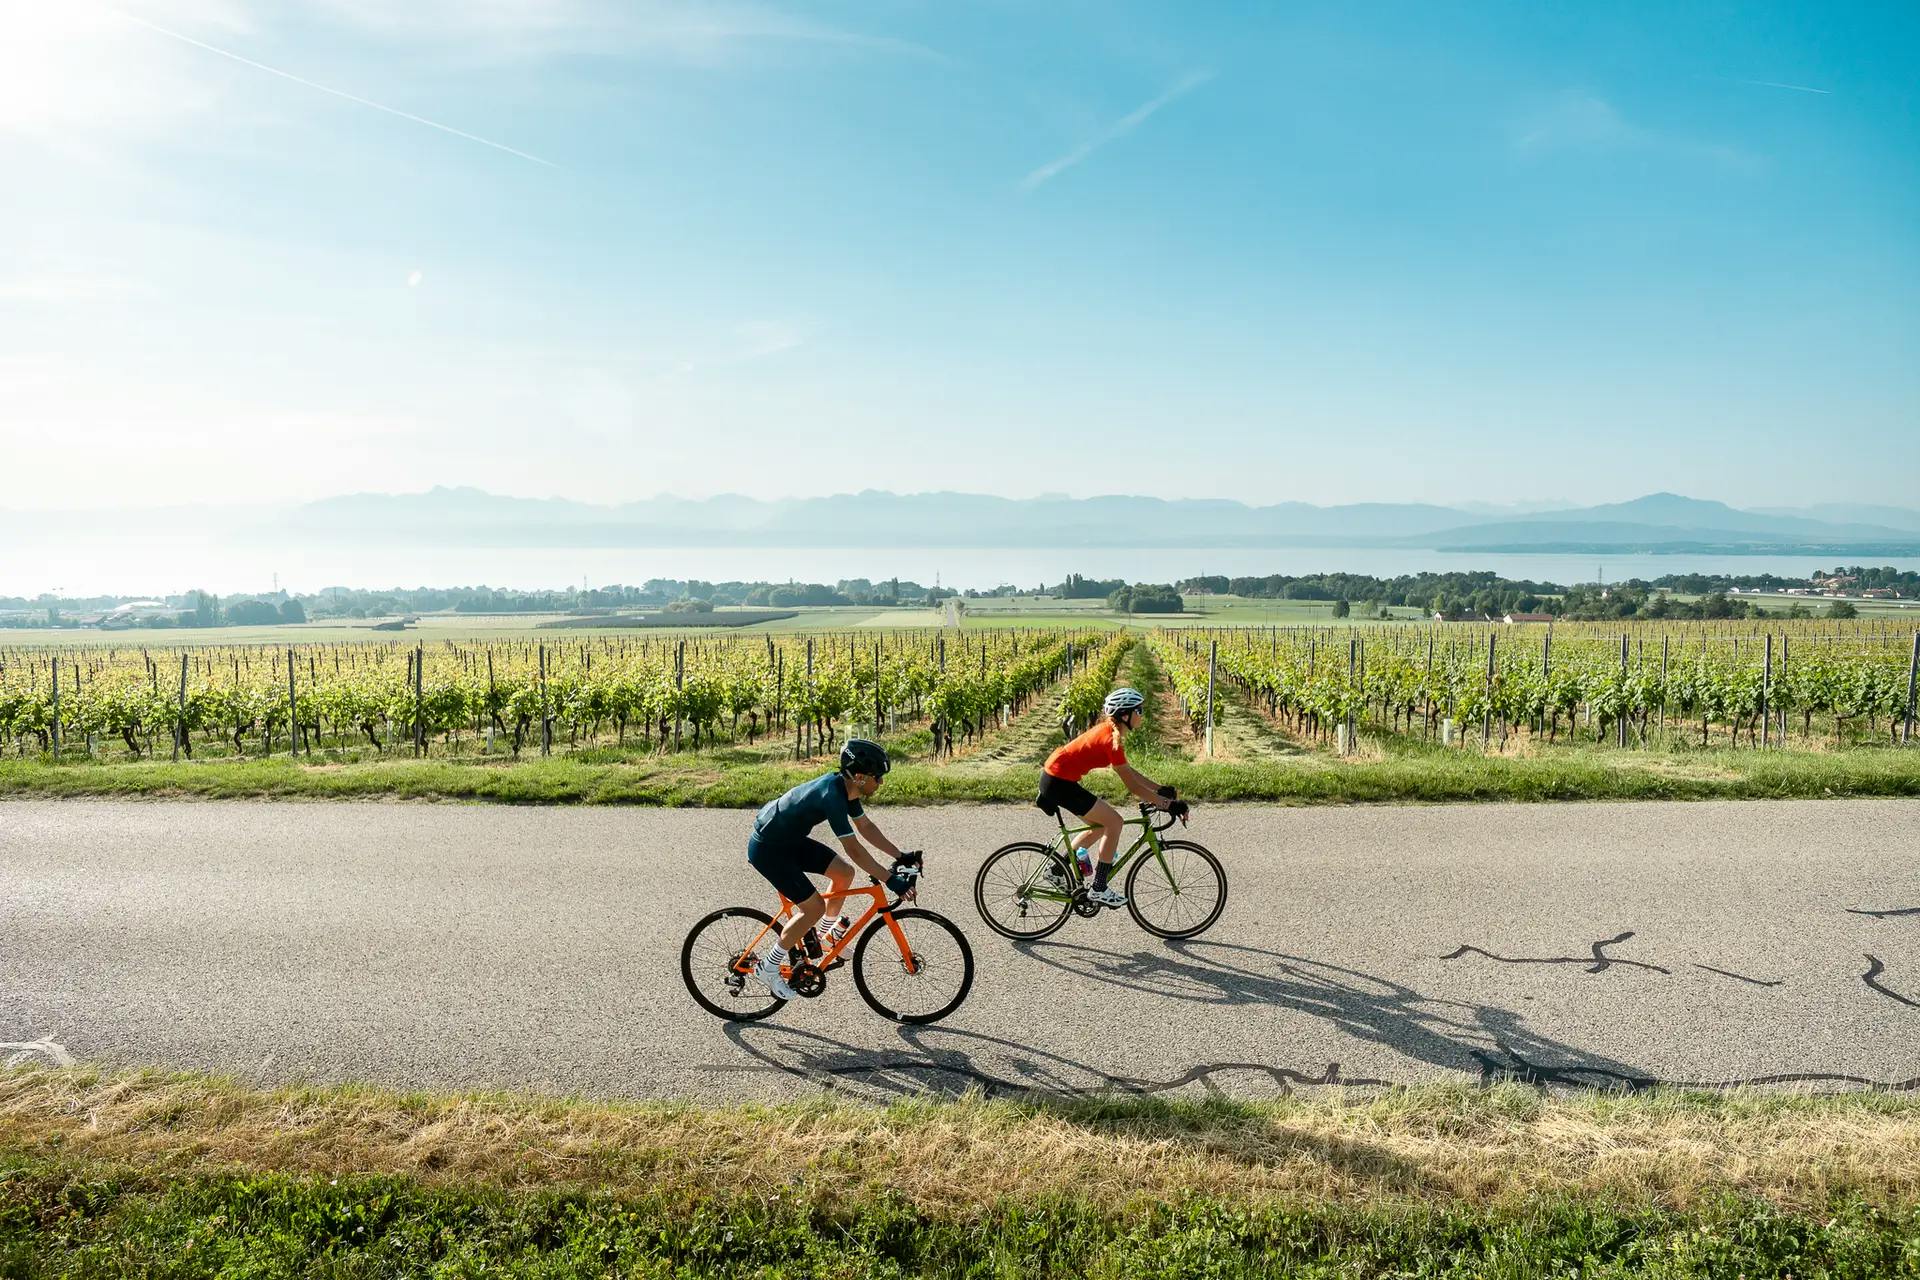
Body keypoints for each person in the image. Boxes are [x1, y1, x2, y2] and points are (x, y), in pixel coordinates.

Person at [749, 737, 916, 999]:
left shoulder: (847, 788)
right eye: (878, 777)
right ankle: (768, 967)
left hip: (787, 841)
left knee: (844, 873)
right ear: (860, 776)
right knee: (812, 907)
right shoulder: (832, 796)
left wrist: (901, 855)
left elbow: (866, 828)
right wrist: (890, 879)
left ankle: (826, 936)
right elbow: (856, 849)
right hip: (769, 850)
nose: (881, 782)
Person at [1035, 687, 1186, 908]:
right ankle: (1099, 888)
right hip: (1058, 782)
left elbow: (1128, 771)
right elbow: (1132, 786)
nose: (1142, 714)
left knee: (1100, 826)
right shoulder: (1111, 741)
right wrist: (1167, 805)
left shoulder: (1112, 734)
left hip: (1057, 779)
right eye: (1139, 710)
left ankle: (1058, 870)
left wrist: (1159, 790)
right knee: (1114, 822)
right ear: (1126, 715)